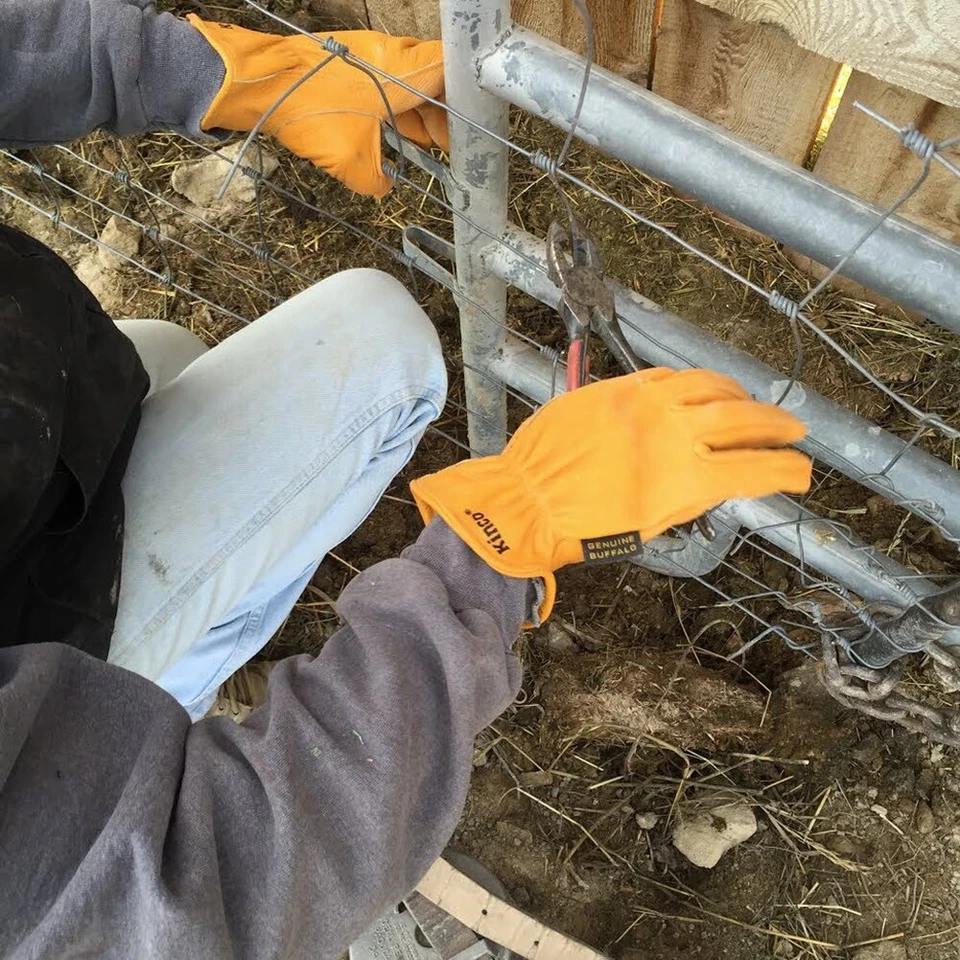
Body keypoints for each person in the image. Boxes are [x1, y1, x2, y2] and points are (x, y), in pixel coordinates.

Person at [0, 2, 813, 957]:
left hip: (42, 412)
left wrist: (228, 72)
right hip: (52, 665)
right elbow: (234, 882)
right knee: (380, 341)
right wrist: (496, 545)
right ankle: (148, 706)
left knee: (166, 358)